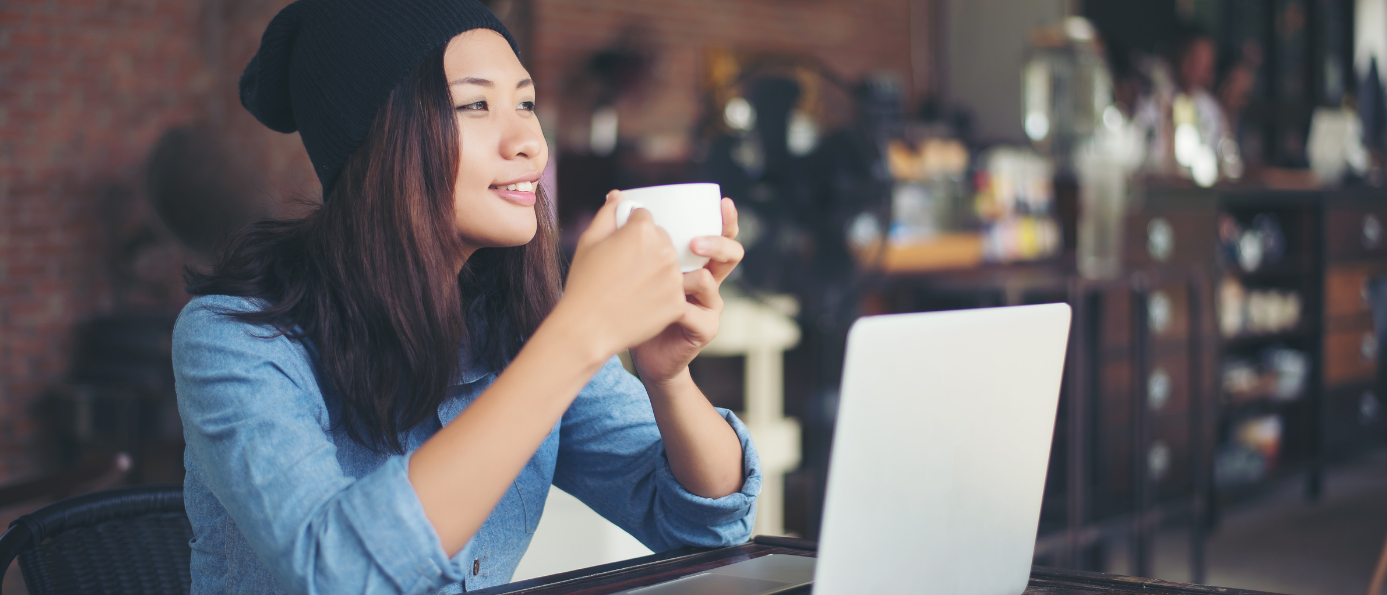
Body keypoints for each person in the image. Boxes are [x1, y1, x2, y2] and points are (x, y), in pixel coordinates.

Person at [173, 1, 760, 593]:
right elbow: (341, 574)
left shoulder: (520, 324)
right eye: (475, 104)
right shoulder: (234, 337)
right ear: (379, 137)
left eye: (525, 103)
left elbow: (705, 530)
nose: (530, 141)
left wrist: (667, 377)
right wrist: (579, 334)